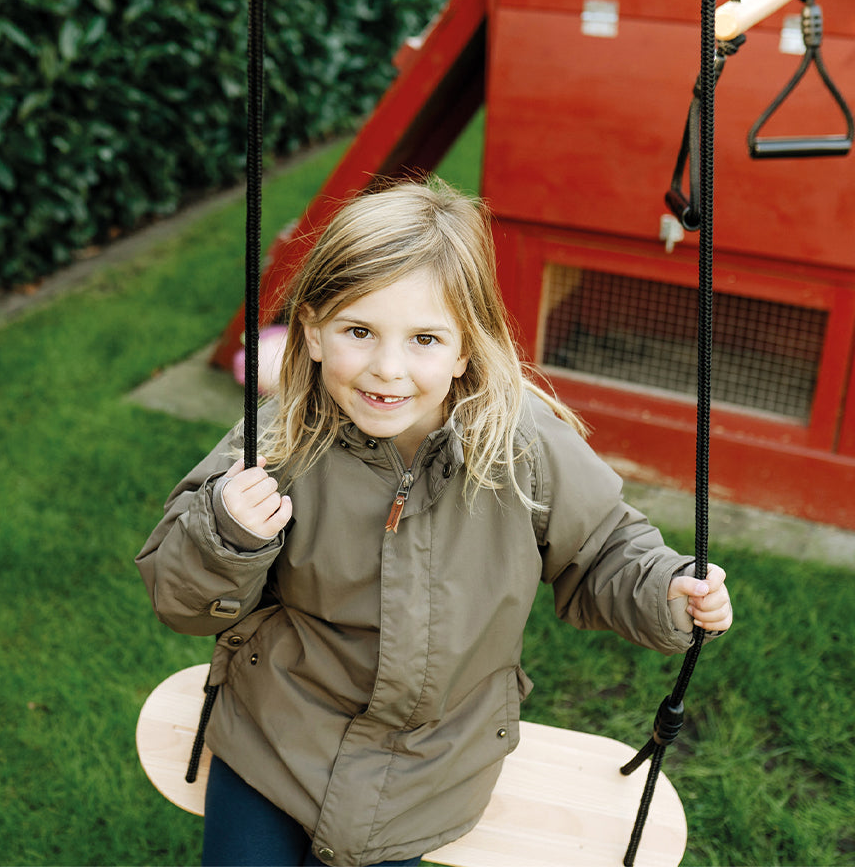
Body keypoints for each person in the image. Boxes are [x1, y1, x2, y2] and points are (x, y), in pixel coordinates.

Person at [135, 177, 733, 867]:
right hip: (275, 730)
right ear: (315, 333)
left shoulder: (523, 447)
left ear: (465, 348)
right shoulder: (278, 441)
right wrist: (225, 535)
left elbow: (600, 552)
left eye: (424, 338)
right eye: (359, 331)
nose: (388, 369)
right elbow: (179, 598)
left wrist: (663, 592)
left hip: (432, 761)